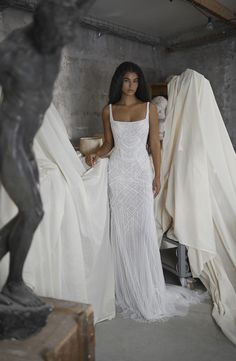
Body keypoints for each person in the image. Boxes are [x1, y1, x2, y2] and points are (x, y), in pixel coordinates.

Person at [86, 62, 204, 321]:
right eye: (127, 80)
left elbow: (154, 144)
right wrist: (95, 154)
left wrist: (157, 175)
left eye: (136, 80)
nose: (131, 85)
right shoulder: (108, 111)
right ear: (119, 82)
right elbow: (108, 144)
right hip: (117, 175)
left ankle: (145, 289)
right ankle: (126, 289)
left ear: (140, 83)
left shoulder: (149, 108)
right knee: (120, 230)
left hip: (139, 175)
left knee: (142, 231)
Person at [0, 0, 93, 307]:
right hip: (7, 139)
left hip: (25, 142)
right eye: (54, 37)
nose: (59, 44)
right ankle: (13, 284)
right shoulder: (12, 50)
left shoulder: (58, 32)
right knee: (34, 212)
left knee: (29, 212)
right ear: (40, 27)